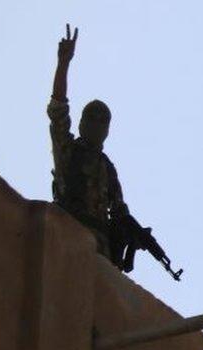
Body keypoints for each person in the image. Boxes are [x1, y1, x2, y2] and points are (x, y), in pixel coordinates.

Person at [48, 24, 129, 260]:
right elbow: (58, 110)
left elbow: (120, 213)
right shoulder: (70, 152)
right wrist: (63, 64)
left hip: (99, 252)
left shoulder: (108, 169)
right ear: (83, 123)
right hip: (68, 239)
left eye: (102, 122)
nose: (97, 125)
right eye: (92, 119)